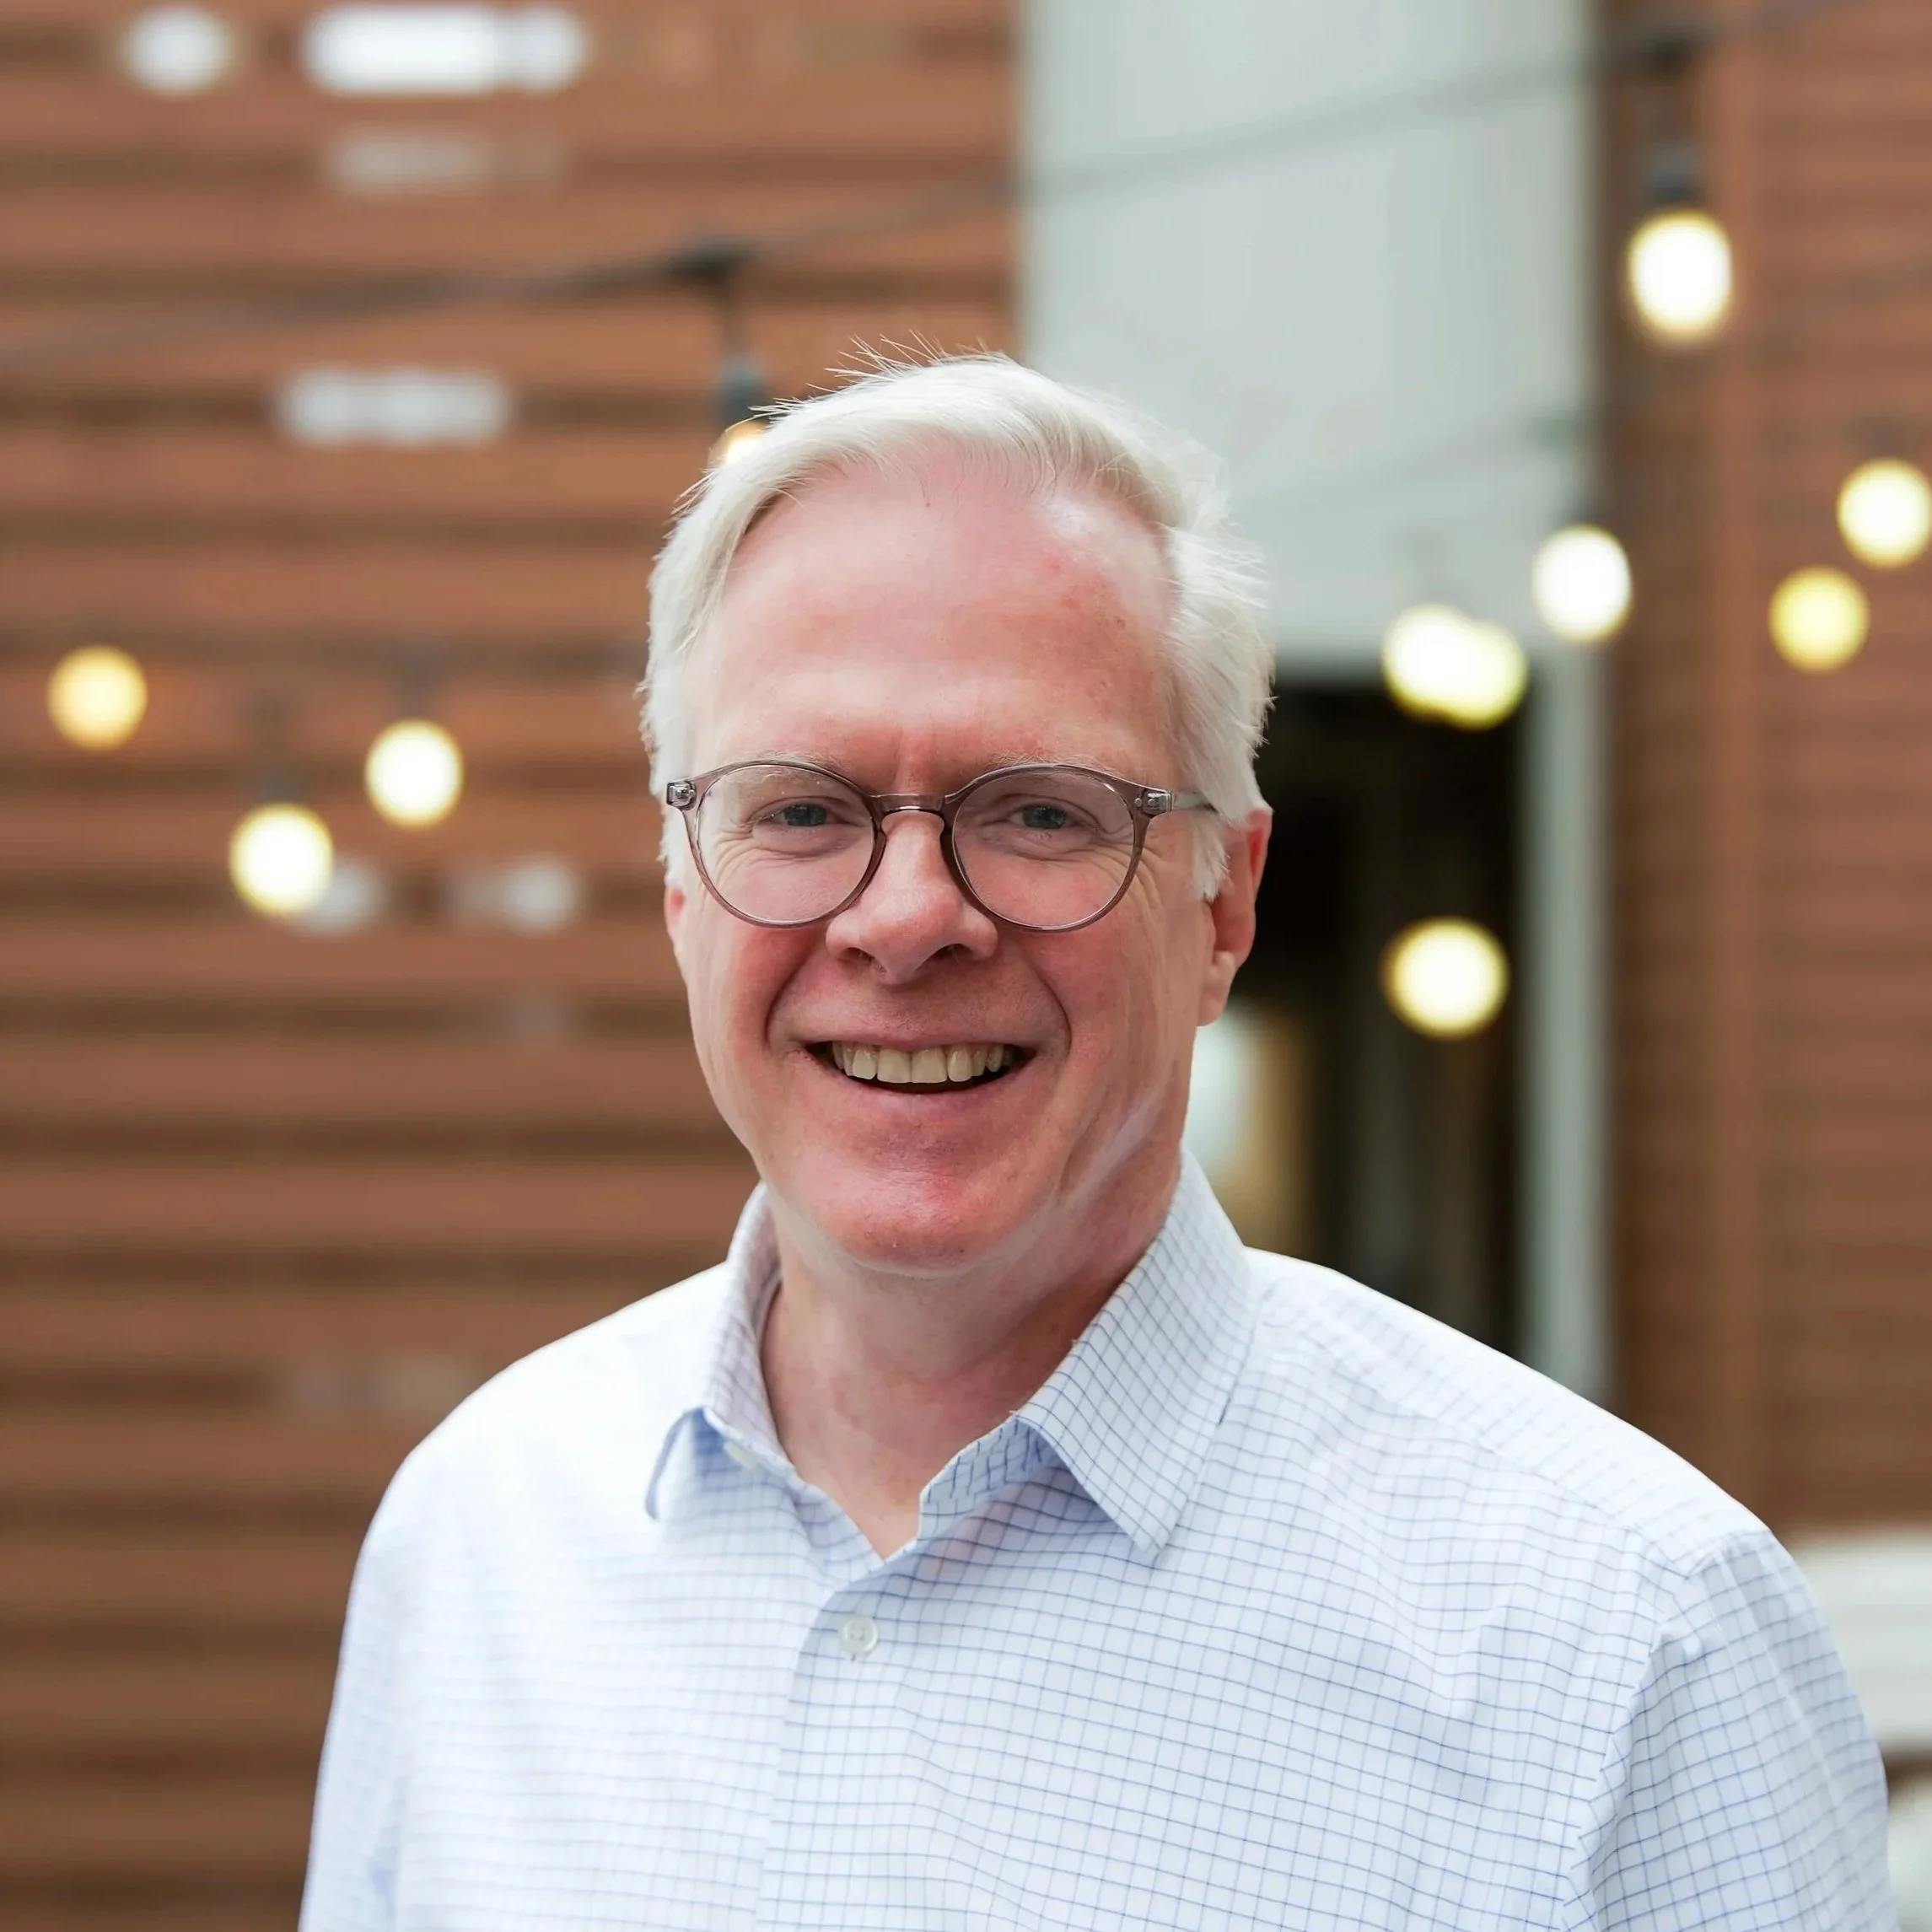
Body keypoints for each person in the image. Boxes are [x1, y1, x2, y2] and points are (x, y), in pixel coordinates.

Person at [302, 356, 1892, 1930]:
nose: (908, 917)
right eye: (798, 810)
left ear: (1226, 901)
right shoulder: (481, 1534)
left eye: (1037, 811)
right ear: (676, 890)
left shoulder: (1626, 1641)